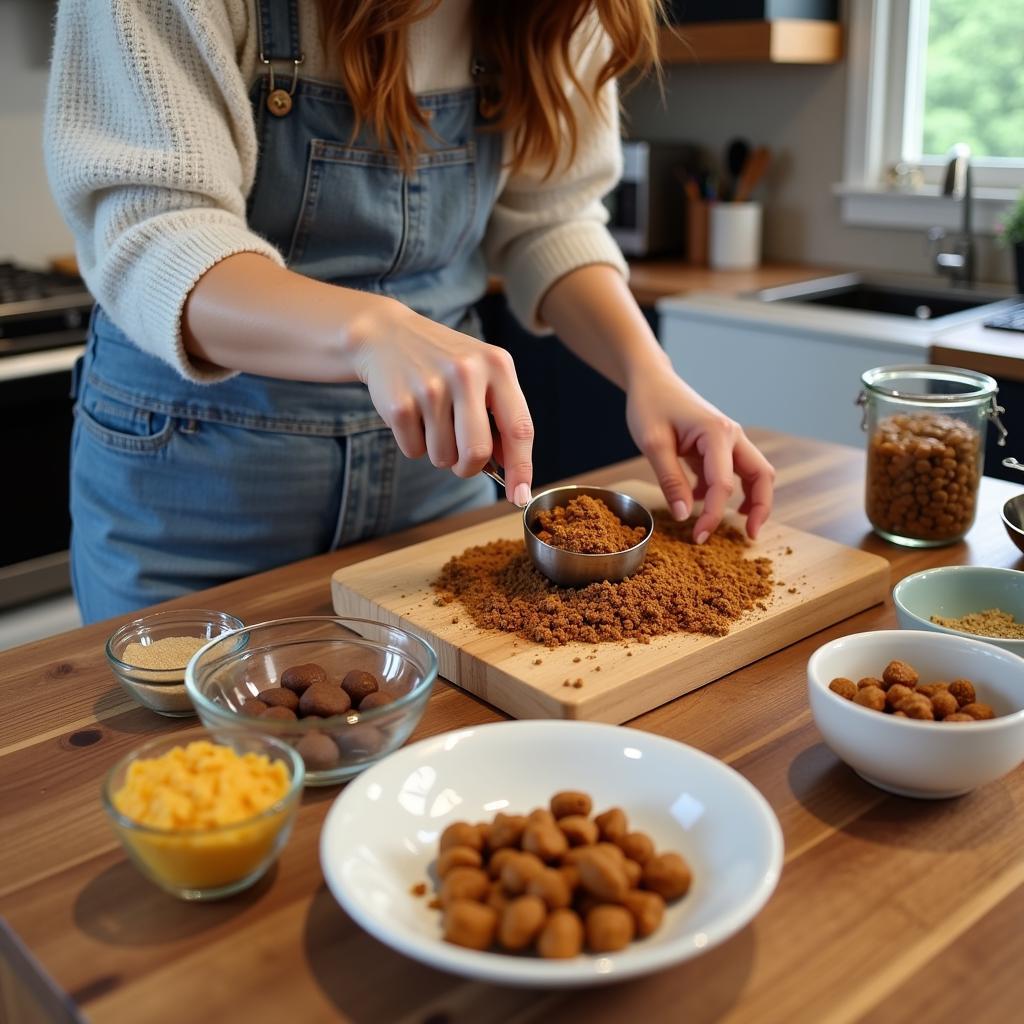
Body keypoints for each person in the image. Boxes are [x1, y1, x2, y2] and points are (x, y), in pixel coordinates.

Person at [45, 0, 774, 624]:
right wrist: (371, 331)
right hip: (197, 484)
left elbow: (550, 221)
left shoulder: (556, 12)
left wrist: (648, 369)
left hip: (436, 485)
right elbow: (158, 236)